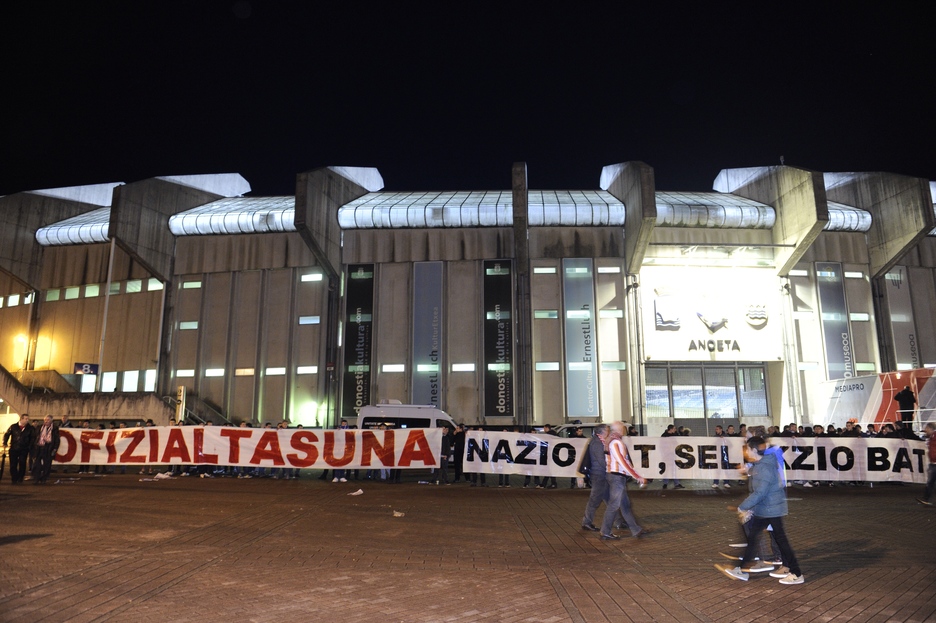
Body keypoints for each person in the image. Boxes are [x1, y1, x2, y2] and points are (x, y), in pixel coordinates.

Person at [715, 436, 805, 584]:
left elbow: (760, 492)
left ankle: (796, 573)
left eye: (748, 448)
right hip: (766, 509)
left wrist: (743, 506)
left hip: (771, 509)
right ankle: (742, 570)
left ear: (754, 450)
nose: (746, 451)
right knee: (754, 539)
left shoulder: (764, 467)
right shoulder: (761, 464)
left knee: (780, 541)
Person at [599, 421, 650, 540]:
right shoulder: (616, 443)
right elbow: (622, 461)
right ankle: (605, 531)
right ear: (619, 430)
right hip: (617, 477)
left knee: (625, 505)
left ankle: (636, 529)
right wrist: (637, 476)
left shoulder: (611, 441)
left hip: (615, 476)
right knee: (614, 505)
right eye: (622, 428)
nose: (624, 430)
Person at [581, 424, 609, 532]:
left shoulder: (597, 441)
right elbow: (601, 460)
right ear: (603, 431)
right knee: (595, 500)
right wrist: (610, 469)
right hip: (599, 475)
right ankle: (586, 522)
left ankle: (619, 520)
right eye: (607, 430)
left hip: (600, 475)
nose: (608, 432)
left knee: (610, 499)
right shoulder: (597, 443)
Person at [3, 414, 34, 484]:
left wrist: (29, 446)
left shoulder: (30, 428)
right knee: (13, 464)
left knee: (22, 463)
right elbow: (7, 434)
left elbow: (32, 438)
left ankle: (20, 477)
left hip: (24, 449)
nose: (27, 420)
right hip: (14, 448)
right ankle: (14, 478)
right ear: (21, 419)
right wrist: (5, 442)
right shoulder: (13, 426)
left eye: (27, 419)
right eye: (26, 419)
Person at [31, 415, 60, 484]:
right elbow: (35, 437)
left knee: (47, 464)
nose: (46, 421)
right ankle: (36, 478)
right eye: (45, 420)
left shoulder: (55, 428)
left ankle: (44, 478)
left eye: (48, 420)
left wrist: (55, 448)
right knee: (37, 464)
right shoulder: (39, 427)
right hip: (39, 447)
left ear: (51, 421)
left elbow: (57, 439)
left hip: (48, 447)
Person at [917, 422, 936, 506]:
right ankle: (925, 498)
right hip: (933, 463)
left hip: (934, 463)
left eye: (926, 429)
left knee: (930, 482)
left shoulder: (933, 437)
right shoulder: (931, 438)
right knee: (930, 482)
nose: (925, 431)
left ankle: (926, 498)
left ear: (930, 429)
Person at [660, 425, 683, 490]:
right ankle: (670, 483)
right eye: (674, 428)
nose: (675, 430)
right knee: (668, 469)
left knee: (672, 469)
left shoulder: (667, 435)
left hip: (671, 454)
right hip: (668, 455)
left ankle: (670, 483)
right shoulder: (665, 436)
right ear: (671, 429)